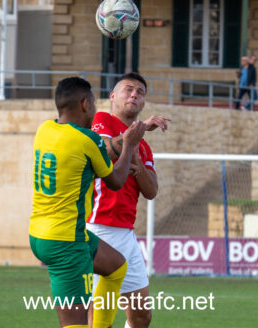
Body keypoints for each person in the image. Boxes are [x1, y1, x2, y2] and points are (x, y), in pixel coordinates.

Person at [29, 77, 146, 328]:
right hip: (65, 241)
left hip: (40, 232)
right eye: (92, 101)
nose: (94, 107)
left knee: (116, 267)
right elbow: (115, 181)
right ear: (85, 103)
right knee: (75, 325)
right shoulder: (87, 141)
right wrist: (129, 145)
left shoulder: (45, 130)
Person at [87, 72, 170, 328]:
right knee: (100, 318)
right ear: (113, 96)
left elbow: (151, 190)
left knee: (141, 317)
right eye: (128, 89)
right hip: (99, 228)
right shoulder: (102, 120)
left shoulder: (144, 147)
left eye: (140, 92)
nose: (134, 94)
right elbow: (103, 150)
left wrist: (139, 168)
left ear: (144, 102)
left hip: (126, 235)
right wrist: (140, 130)